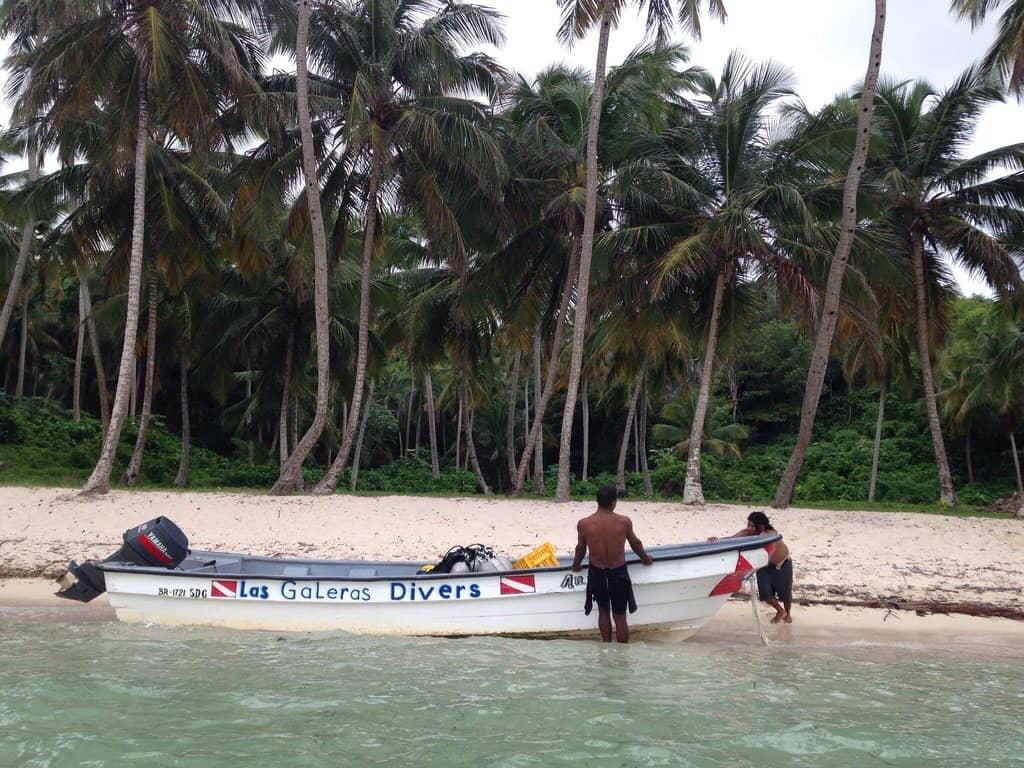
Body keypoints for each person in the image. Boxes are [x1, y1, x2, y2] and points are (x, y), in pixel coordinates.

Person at [571, 485, 654, 643]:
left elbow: (580, 548)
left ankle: (606, 649)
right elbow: (635, 543)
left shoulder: (584, 524)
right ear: (613, 503)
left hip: (597, 571)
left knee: (603, 611)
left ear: (597, 501)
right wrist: (645, 558)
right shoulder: (623, 522)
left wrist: (576, 565)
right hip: (618, 571)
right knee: (620, 616)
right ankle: (622, 654)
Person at [708, 510, 792, 623]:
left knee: (785, 593)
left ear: (761, 526)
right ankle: (780, 611)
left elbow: (771, 537)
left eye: (752, 526)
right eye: (748, 524)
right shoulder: (747, 533)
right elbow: (731, 540)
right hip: (764, 566)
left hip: (782, 564)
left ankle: (788, 615)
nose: (749, 528)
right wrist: (717, 540)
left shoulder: (770, 533)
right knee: (765, 594)